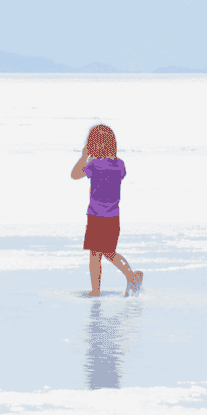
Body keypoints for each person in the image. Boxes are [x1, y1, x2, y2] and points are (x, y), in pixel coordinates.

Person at [68, 123, 142, 297]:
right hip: (113, 217)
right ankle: (130, 276)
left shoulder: (94, 165)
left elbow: (74, 174)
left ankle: (102, 287)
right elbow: (120, 174)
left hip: (95, 216)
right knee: (109, 252)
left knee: (96, 255)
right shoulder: (120, 165)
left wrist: (84, 156)